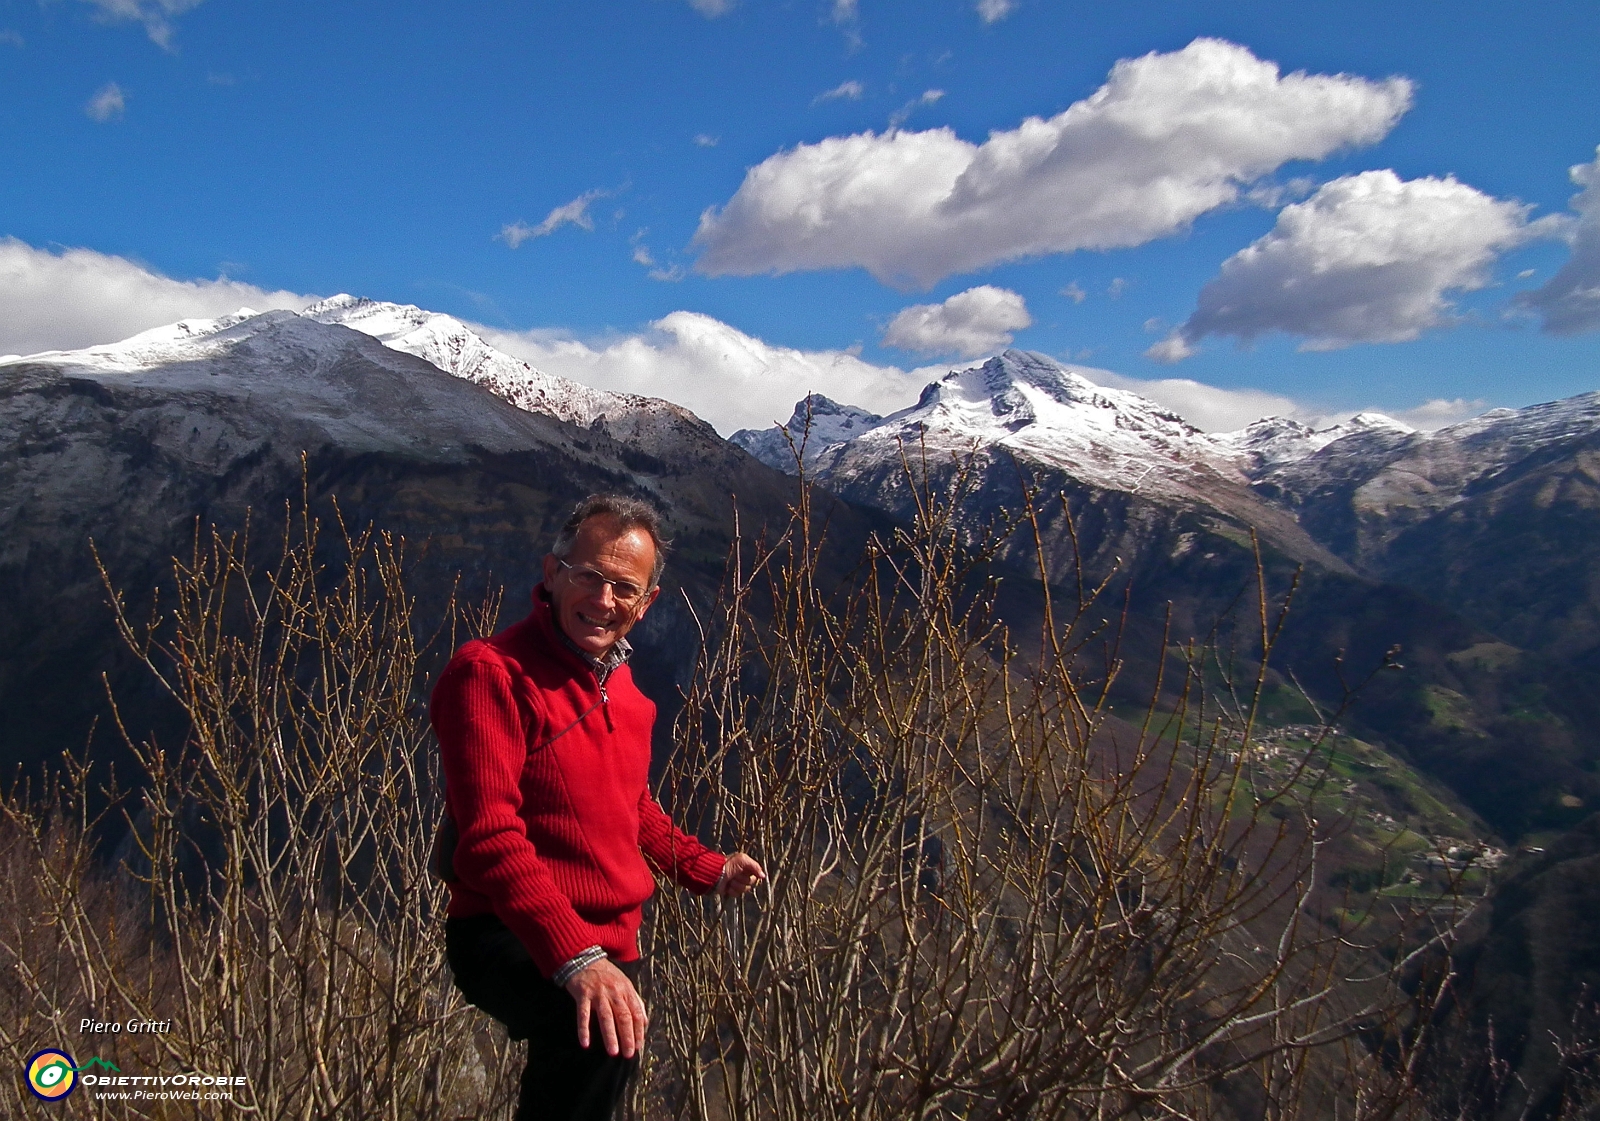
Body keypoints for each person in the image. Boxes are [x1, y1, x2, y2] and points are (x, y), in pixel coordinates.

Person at [431, 494, 764, 1121]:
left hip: (612, 939)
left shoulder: (629, 695)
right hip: (506, 930)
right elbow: (489, 834)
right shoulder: (492, 676)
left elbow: (628, 805)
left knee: (605, 1064)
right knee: (598, 1045)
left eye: (625, 588)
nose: (604, 600)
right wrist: (574, 958)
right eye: (590, 576)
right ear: (553, 573)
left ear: (648, 603)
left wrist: (705, 868)